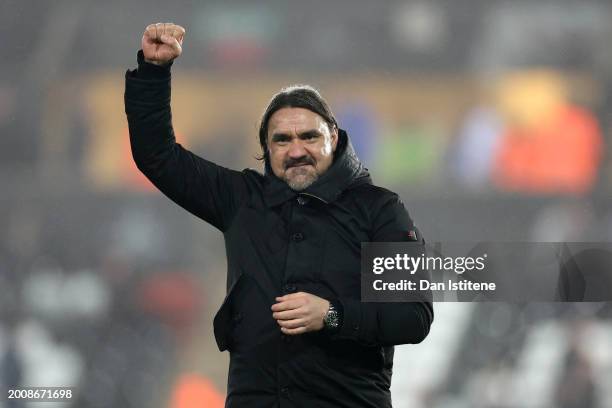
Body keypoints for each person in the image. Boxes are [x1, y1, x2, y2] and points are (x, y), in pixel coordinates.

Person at [124, 22, 434, 408]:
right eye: (282, 140)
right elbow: (157, 155)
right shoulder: (241, 200)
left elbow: (414, 315)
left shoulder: (379, 209)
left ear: (333, 138)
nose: (296, 150)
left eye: (309, 136)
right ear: (266, 149)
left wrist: (333, 315)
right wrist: (154, 72)